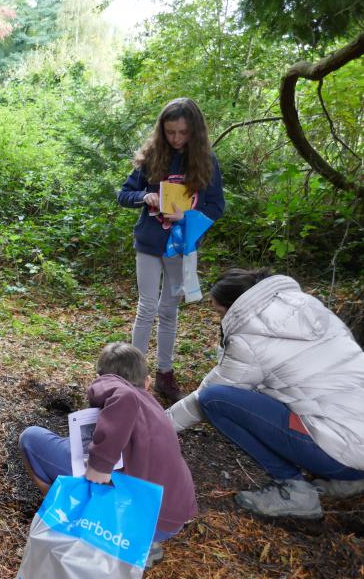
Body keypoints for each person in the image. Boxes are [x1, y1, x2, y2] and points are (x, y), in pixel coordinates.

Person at [167, 268, 364, 519]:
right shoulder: (308, 307)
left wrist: (153, 424)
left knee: (214, 399)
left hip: (340, 454)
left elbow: (202, 397)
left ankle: (295, 491)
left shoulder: (250, 336)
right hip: (355, 440)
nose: (219, 320)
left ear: (234, 306)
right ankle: (352, 478)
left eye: (219, 312)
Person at [19, 343, 197, 565]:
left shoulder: (123, 393)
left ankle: (72, 521)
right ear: (148, 382)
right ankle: (140, 543)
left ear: (99, 378)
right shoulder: (156, 411)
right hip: (170, 520)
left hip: (138, 519)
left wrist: (100, 464)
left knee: (30, 438)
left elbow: (125, 397)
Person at [117, 98, 225, 404]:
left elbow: (217, 206)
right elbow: (123, 195)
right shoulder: (153, 156)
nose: (176, 139)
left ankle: (164, 373)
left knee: (168, 310)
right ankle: (133, 376)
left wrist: (187, 217)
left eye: (183, 133)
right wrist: (145, 196)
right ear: (161, 131)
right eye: (170, 132)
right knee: (147, 306)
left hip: (181, 245)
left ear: (195, 132)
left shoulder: (206, 161)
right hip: (149, 244)